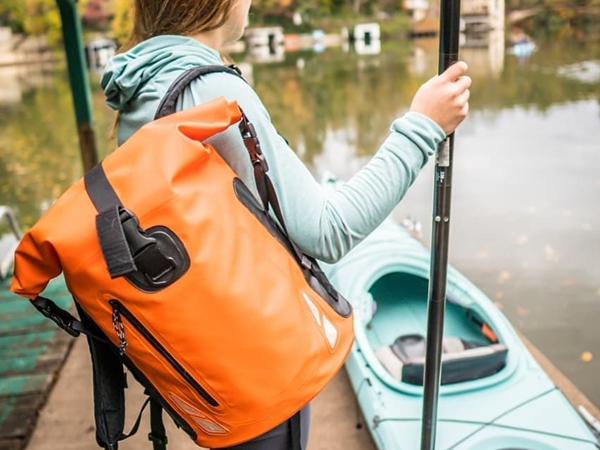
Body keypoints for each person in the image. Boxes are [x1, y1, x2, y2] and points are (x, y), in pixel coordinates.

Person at [101, 0, 471, 448]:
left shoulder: (139, 84)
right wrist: (423, 126)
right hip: (255, 372)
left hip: (203, 361)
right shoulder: (211, 89)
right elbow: (328, 230)